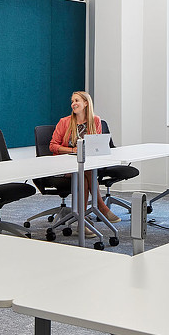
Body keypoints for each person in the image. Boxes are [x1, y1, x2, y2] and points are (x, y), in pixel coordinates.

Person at [50, 91, 120, 232]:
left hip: (86, 163)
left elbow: (97, 144)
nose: (73, 104)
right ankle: (100, 206)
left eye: (77, 100)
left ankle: (81, 221)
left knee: (84, 174)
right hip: (65, 164)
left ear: (86, 103)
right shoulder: (64, 122)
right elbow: (53, 146)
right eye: (72, 101)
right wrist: (73, 150)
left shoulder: (95, 121)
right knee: (86, 172)